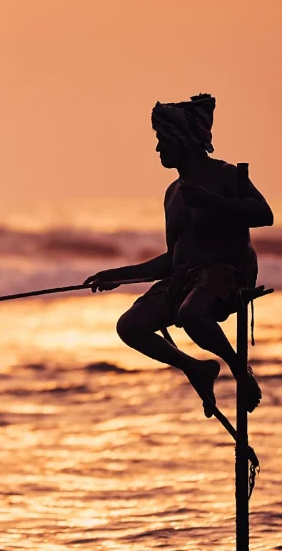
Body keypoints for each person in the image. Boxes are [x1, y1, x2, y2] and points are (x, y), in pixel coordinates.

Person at [83, 93, 273, 415]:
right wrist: (117, 275)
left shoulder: (226, 176)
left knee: (191, 314)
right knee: (129, 326)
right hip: (184, 279)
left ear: (183, 140)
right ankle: (196, 369)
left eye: (162, 140)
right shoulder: (173, 193)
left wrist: (212, 201)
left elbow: (263, 215)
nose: (158, 149)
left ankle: (240, 370)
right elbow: (174, 259)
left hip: (225, 273)